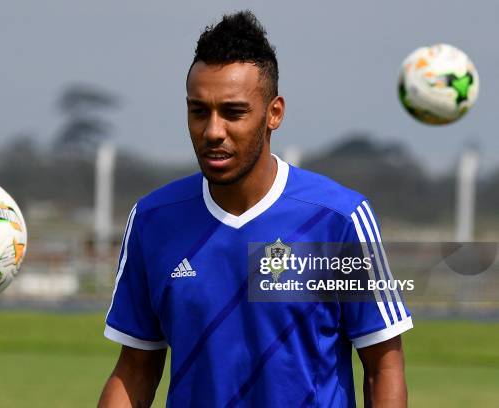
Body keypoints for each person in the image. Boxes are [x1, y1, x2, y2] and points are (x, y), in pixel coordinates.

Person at [99, 10, 412, 407]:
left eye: (233, 112)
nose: (213, 131)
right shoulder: (153, 221)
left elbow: (383, 367)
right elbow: (135, 369)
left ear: (274, 113)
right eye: (199, 111)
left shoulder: (337, 220)